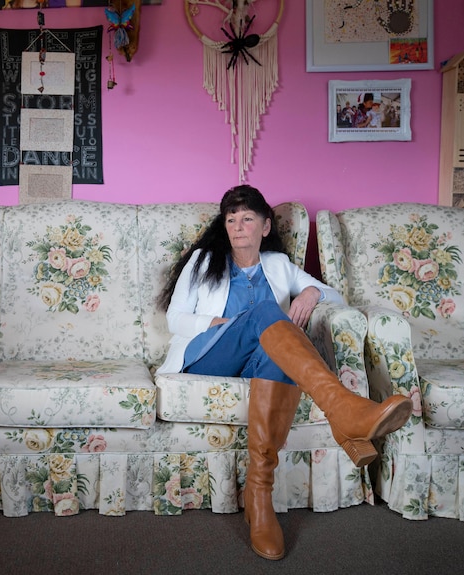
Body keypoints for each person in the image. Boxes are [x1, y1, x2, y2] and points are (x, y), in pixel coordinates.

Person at [156, 185, 412, 561]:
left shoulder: (277, 265)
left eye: (246, 219)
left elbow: (335, 297)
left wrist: (311, 294)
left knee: (277, 348)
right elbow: (175, 319)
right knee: (265, 314)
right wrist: (226, 324)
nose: (238, 226)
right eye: (231, 219)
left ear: (264, 226)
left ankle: (259, 496)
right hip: (209, 353)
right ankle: (344, 410)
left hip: (258, 361)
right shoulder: (202, 261)